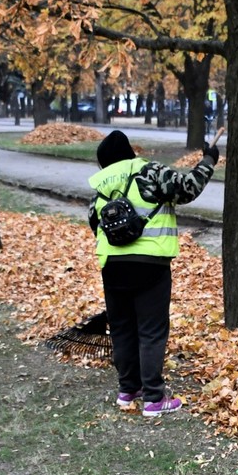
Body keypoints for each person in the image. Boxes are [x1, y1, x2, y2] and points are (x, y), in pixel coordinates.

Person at [88, 129, 222, 417]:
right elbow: (187, 188)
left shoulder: (100, 185)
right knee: (151, 331)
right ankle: (153, 399)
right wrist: (209, 160)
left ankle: (127, 390)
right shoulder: (148, 172)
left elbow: (93, 221)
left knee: (122, 329)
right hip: (150, 265)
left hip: (112, 267)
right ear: (129, 152)